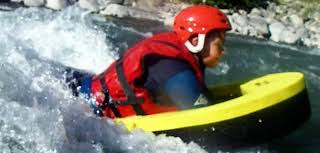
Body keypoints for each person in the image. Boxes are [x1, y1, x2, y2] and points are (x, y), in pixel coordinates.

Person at [65, 5, 232, 118]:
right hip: (83, 101)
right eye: (219, 45)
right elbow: (203, 115)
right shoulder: (173, 68)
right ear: (196, 41)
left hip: (85, 84)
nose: (223, 51)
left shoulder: (181, 56)